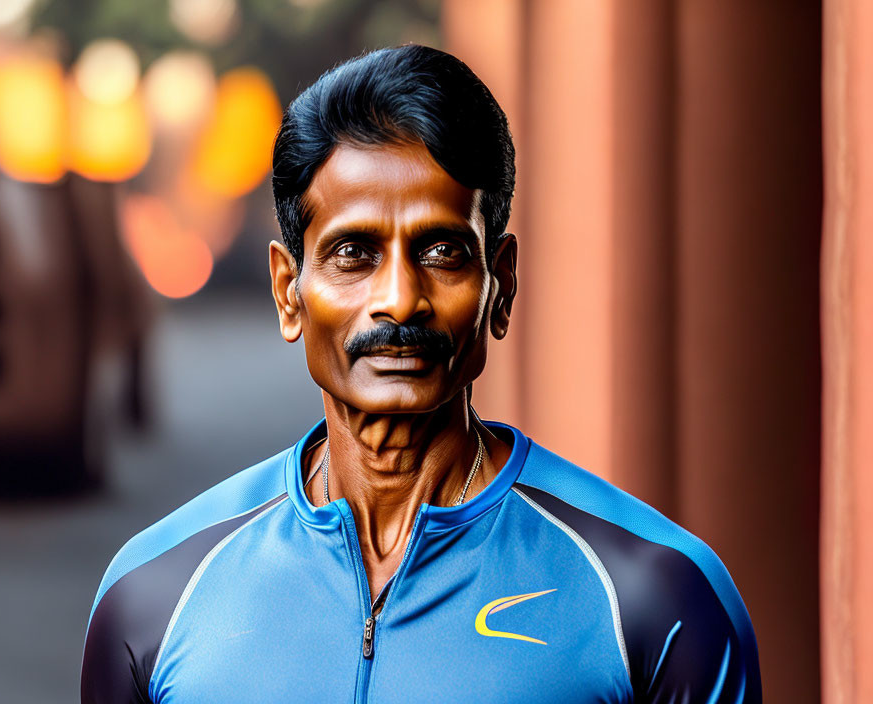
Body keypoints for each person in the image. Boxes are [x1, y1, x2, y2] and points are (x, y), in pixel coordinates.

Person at [81, 45, 761, 703]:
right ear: (289, 292)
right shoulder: (155, 595)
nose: (401, 298)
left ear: (502, 286)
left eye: (443, 251)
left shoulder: (656, 598)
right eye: (353, 253)